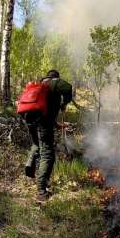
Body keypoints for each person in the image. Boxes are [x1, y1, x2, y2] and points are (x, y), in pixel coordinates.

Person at [24, 70, 73, 201]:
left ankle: (30, 165)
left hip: (30, 122)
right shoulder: (53, 83)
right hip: (42, 124)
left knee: (37, 145)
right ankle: (41, 192)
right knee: (48, 154)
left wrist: (58, 125)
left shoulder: (40, 85)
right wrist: (65, 102)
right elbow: (68, 87)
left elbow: (46, 112)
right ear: (56, 77)